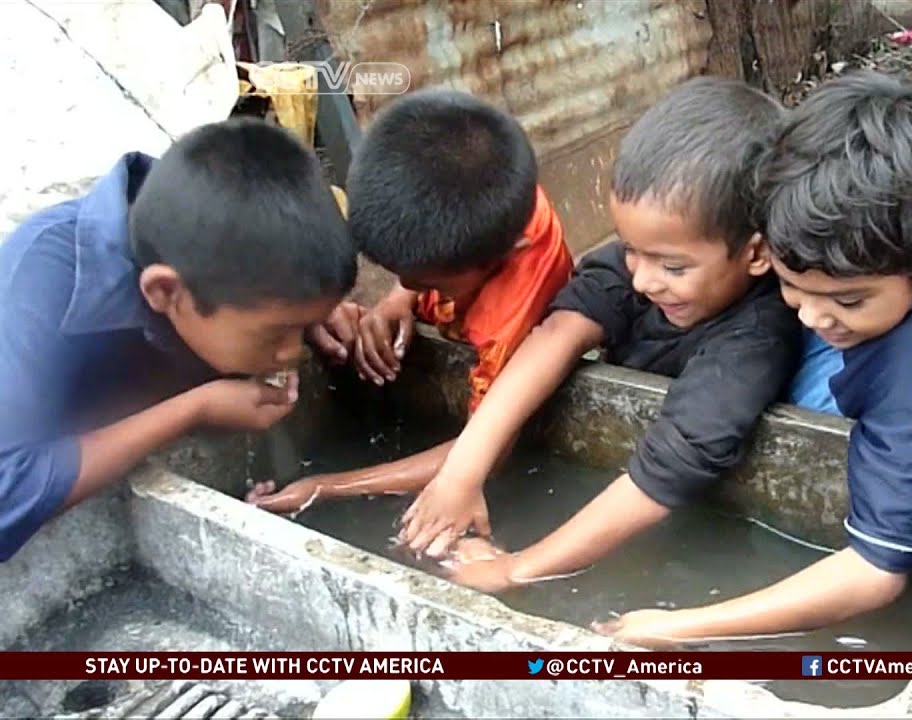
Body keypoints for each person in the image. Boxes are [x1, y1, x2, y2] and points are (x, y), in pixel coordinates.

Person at [598, 71, 912, 645]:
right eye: (792, 286)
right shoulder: (803, 234)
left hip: (818, 589)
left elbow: (876, 569)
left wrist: (682, 625)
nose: (813, 317)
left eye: (848, 301)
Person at [395, 76, 801, 591]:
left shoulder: (757, 339)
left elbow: (666, 472)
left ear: (757, 253)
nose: (643, 279)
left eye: (673, 267)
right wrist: (461, 473)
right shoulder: (649, 261)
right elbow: (557, 334)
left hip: (698, 527)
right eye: (630, 249)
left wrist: (515, 569)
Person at [0, 117, 356, 561]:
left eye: (299, 329)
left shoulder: (217, 252)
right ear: (165, 292)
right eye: (276, 334)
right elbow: (7, 491)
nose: (293, 352)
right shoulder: (38, 294)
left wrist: (308, 310)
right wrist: (194, 409)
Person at [247, 88, 573, 514]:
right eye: (401, 275)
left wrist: (327, 486)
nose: (408, 285)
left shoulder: (507, 325)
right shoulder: (490, 196)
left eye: (427, 281)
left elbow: (485, 453)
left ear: (506, 253)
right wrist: (396, 302)